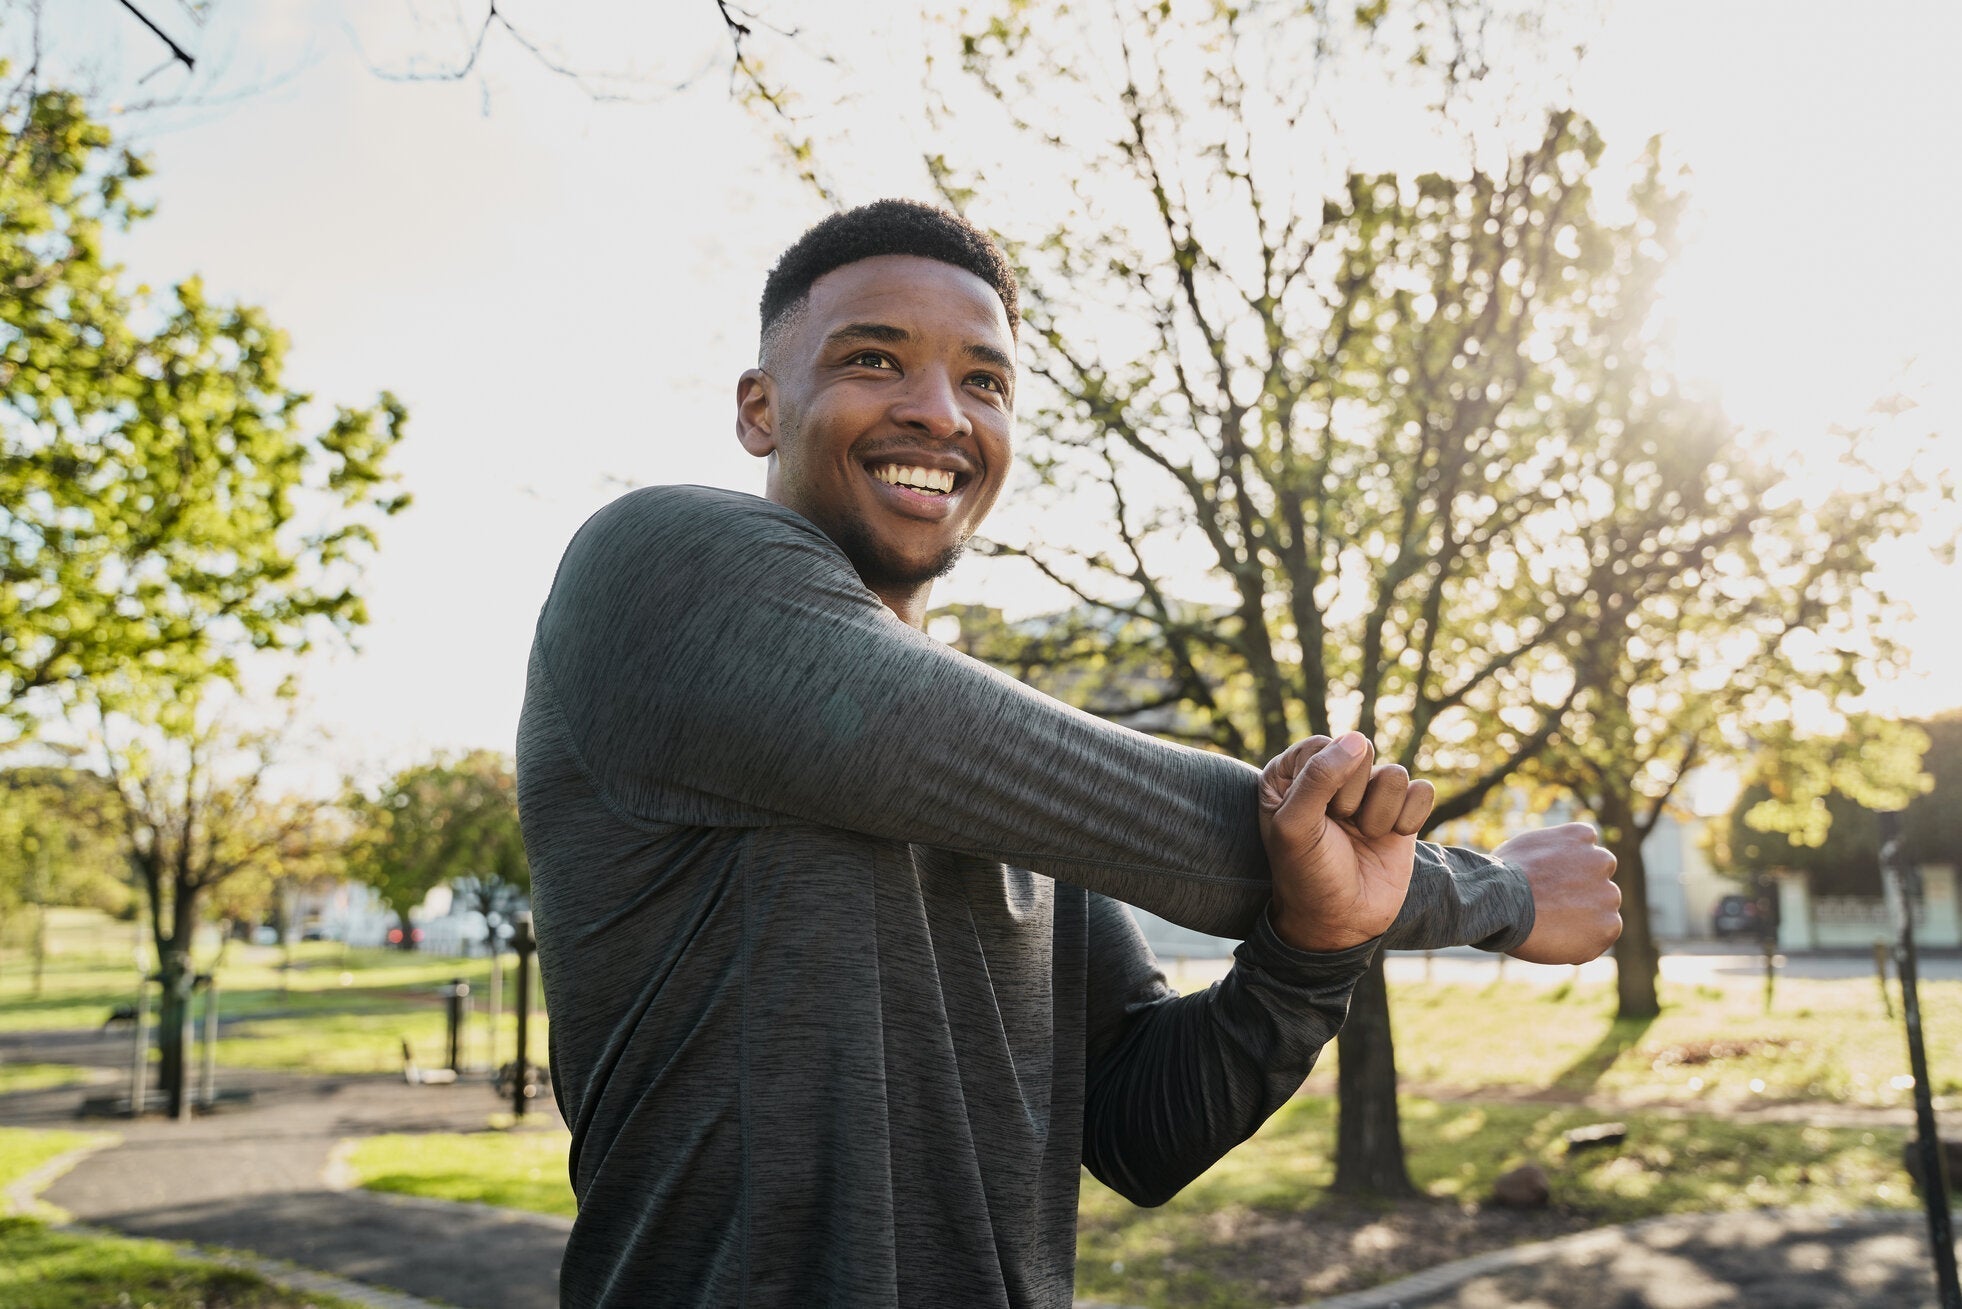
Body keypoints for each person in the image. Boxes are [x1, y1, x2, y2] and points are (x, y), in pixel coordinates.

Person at [516, 199, 1621, 1308]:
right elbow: (1203, 833)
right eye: (873, 359)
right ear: (760, 408)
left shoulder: (1007, 791)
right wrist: (1497, 893)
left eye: (984, 381)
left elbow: (1139, 1127)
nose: (939, 411)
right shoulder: (662, 567)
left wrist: (1315, 946)